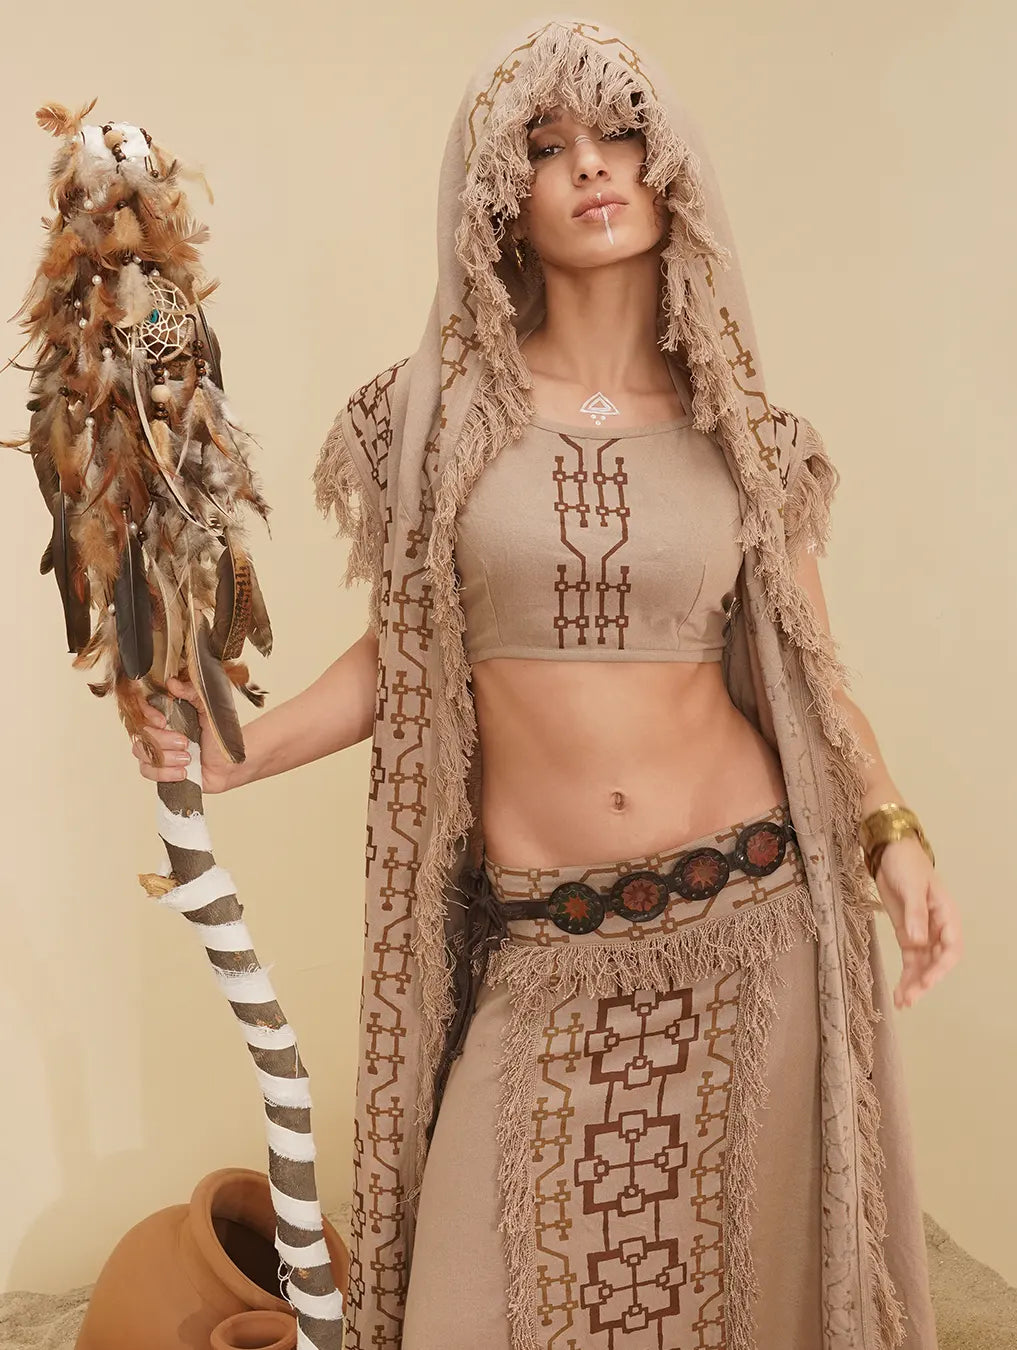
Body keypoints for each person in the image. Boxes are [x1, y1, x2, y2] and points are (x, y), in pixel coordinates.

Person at [133, 18, 962, 1350]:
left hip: (751, 928)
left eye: (620, 132)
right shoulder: (434, 423)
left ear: (667, 167)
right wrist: (242, 750)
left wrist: (893, 833)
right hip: (547, 947)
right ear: (495, 196)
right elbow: (410, 653)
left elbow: (815, 678)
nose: (589, 164)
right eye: (545, 144)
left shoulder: (750, 439)